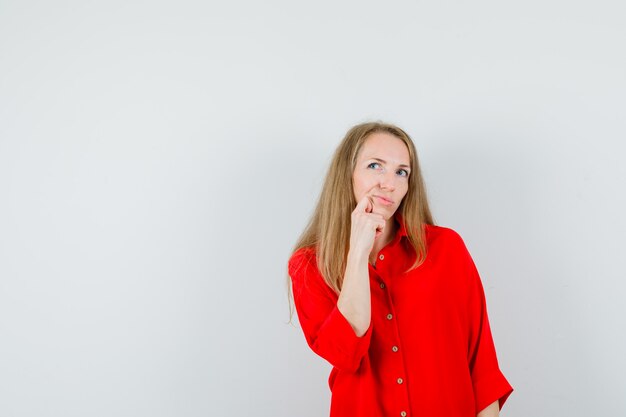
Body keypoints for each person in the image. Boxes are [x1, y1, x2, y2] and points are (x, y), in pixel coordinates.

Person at [286, 121, 514, 417]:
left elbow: (481, 365)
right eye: (375, 166)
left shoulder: (446, 249)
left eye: (401, 172)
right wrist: (358, 252)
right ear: (348, 174)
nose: (389, 184)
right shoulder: (309, 265)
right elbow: (345, 353)